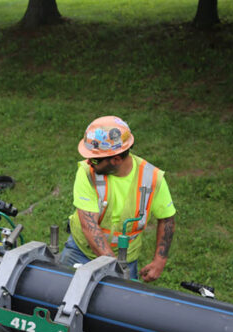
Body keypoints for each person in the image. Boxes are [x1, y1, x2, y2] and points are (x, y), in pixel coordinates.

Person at [59, 116, 175, 282]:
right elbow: (89, 226)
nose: (89, 163)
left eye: (95, 159)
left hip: (126, 259)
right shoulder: (86, 173)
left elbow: (167, 219)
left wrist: (160, 260)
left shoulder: (152, 178)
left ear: (116, 159)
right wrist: (115, 270)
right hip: (81, 252)